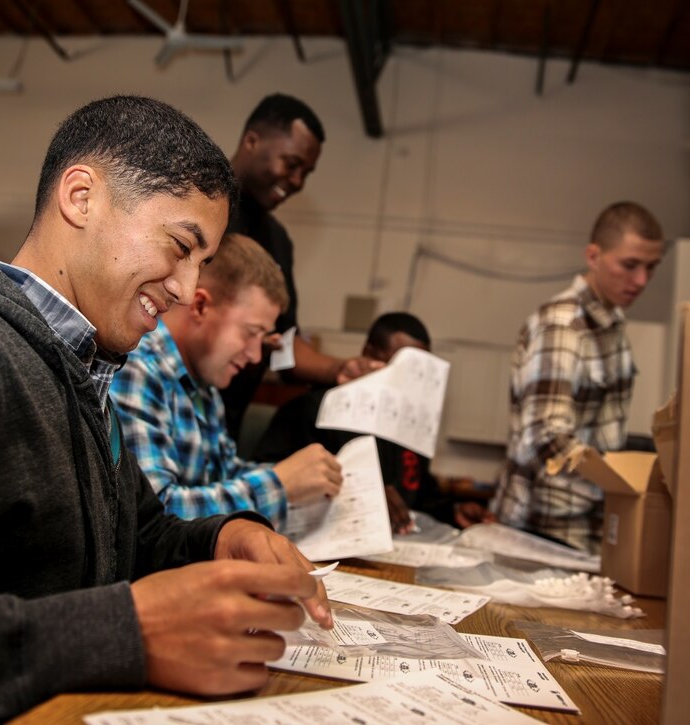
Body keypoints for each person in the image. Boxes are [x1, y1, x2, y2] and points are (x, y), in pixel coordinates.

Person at [0, 95, 332, 722]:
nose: (186, 290)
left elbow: (135, 534)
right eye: (180, 247)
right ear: (81, 198)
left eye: (202, 264)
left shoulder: (82, 370)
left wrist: (222, 537)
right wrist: (118, 636)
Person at [111, 232, 343, 531]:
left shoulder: (204, 382)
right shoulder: (137, 368)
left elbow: (224, 474)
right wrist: (280, 485)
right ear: (200, 307)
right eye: (251, 332)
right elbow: (154, 515)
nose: (255, 355)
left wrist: (304, 477)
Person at [490, 201, 666, 553]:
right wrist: (625, 482)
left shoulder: (611, 324)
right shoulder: (564, 326)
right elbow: (546, 439)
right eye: (630, 265)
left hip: (587, 527)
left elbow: (599, 432)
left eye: (651, 267)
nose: (641, 280)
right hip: (542, 530)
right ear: (593, 256)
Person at [221, 93, 381, 438]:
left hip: (222, 431)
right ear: (252, 141)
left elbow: (284, 345)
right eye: (291, 164)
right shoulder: (198, 207)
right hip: (168, 408)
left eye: (306, 173)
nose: (297, 182)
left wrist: (341, 368)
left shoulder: (278, 240)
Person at [253, 312, 496, 534]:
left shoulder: (410, 426)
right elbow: (271, 484)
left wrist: (453, 511)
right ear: (369, 353)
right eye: (400, 367)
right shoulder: (310, 411)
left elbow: (420, 496)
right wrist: (358, 495)